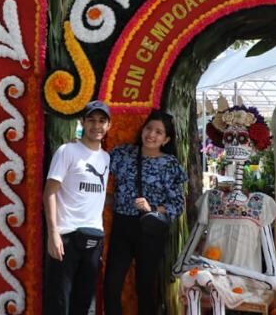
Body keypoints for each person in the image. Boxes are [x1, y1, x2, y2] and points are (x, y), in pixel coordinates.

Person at [104, 109, 188, 315]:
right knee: (111, 285)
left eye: (159, 132)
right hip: (122, 225)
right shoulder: (122, 154)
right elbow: (95, 170)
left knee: (145, 288)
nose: (151, 134)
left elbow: (178, 204)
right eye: (149, 128)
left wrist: (152, 208)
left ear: (166, 139)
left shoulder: (169, 164)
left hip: (150, 229)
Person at [44, 100, 113, 315]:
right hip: (66, 237)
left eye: (102, 121)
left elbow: (95, 194)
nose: (96, 126)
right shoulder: (67, 151)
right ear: (82, 121)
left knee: (83, 303)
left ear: (108, 125)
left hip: (94, 238)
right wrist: (53, 233)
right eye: (91, 120)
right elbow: (49, 192)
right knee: (58, 302)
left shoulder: (105, 157)